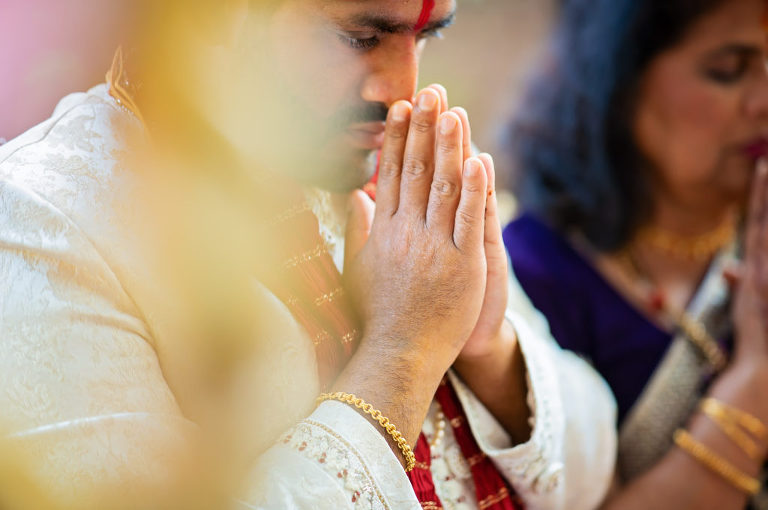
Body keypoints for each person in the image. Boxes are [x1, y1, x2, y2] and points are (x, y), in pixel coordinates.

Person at [0, 0, 616, 509]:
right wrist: (406, 353)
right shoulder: (44, 218)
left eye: (428, 35)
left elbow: (593, 471)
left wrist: (488, 348)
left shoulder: (402, 162)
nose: (403, 91)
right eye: (361, 37)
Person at [503, 0, 768, 508]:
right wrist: (755, 379)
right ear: (617, 82)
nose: (763, 99)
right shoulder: (530, 281)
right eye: (728, 70)